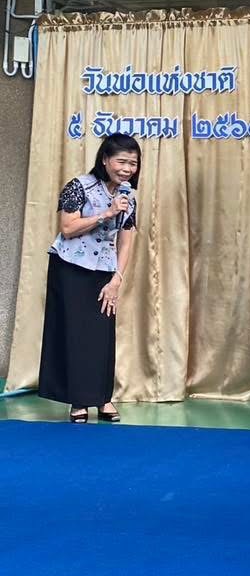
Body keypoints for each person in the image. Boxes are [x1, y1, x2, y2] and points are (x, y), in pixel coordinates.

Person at [38, 133, 141, 424]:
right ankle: (78, 400)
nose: (127, 169)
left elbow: (126, 241)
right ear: (105, 160)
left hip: (104, 271)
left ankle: (103, 397)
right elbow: (68, 228)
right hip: (70, 267)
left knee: (102, 334)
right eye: (121, 161)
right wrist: (107, 213)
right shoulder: (79, 186)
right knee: (75, 333)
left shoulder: (128, 197)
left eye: (133, 163)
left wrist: (117, 279)